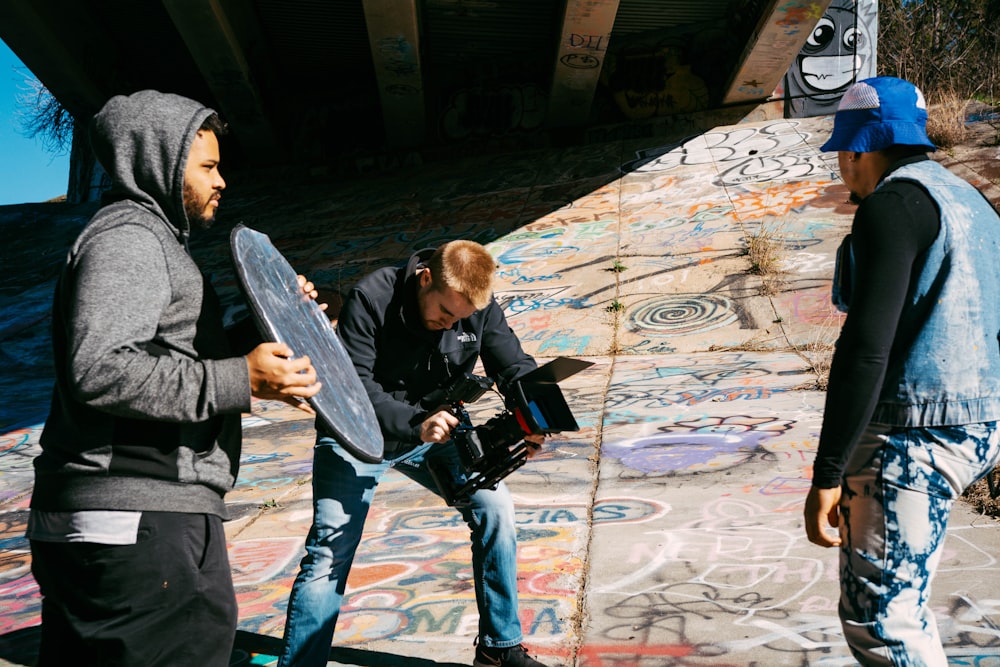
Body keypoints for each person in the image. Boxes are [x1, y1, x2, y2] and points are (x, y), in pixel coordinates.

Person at [27, 89, 323, 666]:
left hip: (139, 517)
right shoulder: (129, 239)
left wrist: (273, 330)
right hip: (138, 521)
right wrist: (242, 379)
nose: (221, 182)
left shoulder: (151, 242)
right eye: (207, 166)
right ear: (159, 161)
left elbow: (171, 355)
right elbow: (102, 367)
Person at [279, 240, 552, 667]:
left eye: (459, 319)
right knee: (328, 554)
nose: (450, 326)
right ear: (426, 278)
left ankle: (498, 649)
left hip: (435, 430)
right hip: (356, 432)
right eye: (445, 312)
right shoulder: (372, 297)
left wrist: (538, 416)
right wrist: (414, 424)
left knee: (495, 507)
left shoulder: (473, 304)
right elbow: (356, 388)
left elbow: (514, 366)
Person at [803, 76, 1000, 665]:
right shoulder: (973, 204)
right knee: (904, 609)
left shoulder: (892, 206)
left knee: (883, 621)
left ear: (857, 148)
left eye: (842, 153)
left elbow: (867, 348)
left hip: (914, 438)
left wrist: (828, 471)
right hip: (983, 424)